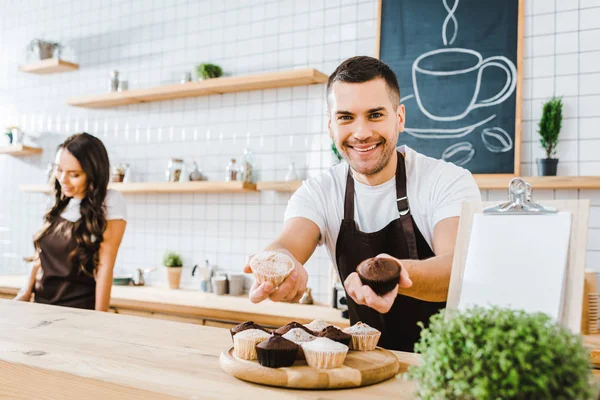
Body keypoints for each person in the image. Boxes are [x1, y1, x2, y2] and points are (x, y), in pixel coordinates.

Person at [243, 56, 482, 352]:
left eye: (375, 115)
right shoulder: (318, 192)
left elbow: (456, 269)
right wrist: (280, 266)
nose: (361, 132)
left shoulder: (447, 181)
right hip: (365, 364)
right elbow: (287, 245)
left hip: (444, 368)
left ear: (400, 117)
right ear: (331, 126)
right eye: (346, 117)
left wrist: (393, 273)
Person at [14, 133, 127, 311]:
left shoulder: (110, 200)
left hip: (78, 311)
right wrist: (25, 292)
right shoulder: (60, 200)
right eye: (59, 170)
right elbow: (40, 256)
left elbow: (105, 266)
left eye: (74, 174)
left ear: (93, 173)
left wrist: (100, 318)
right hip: (41, 307)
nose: (63, 179)